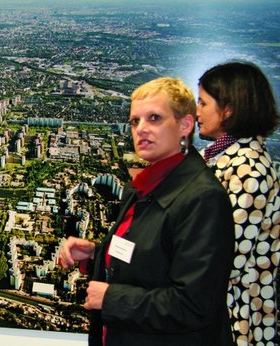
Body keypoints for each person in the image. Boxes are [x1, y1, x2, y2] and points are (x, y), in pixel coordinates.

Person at [59, 77, 235, 345]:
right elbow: (149, 264)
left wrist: (111, 299)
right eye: (135, 121)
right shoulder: (143, 186)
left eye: (154, 118)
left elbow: (194, 305)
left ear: (185, 125)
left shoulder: (203, 199)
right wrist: (97, 254)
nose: (141, 129)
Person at [197, 61, 280, 345]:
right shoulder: (225, 157)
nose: (197, 112)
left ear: (228, 109)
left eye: (203, 103)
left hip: (233, 321)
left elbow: (227, 258)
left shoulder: (249, 172)